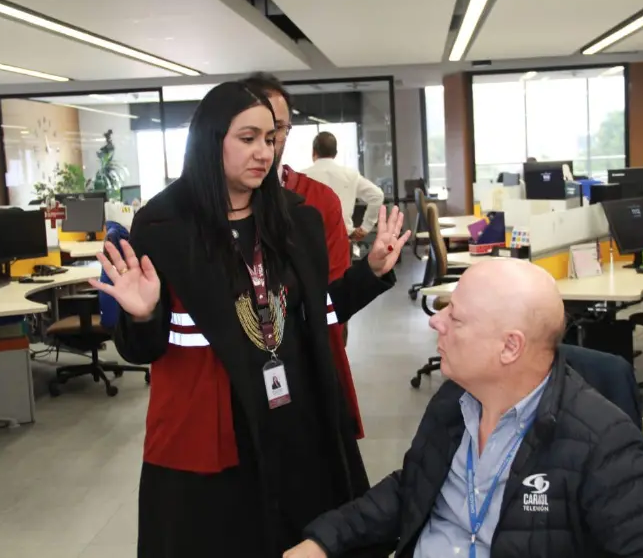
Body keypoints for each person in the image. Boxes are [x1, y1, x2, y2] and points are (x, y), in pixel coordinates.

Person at [91, 82, 410, 558]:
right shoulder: (163, 226)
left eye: (272, 137)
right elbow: (143, 350)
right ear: (210, 139)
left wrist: (372, 272)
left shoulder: (295, 219)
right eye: (248, 138)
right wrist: (144, 314)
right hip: (213, 431)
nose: (264, 151)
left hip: (295, 420)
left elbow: (315, 316)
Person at [284, 259, 643, 558]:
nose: (436, 322)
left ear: (510, 347)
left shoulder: (603, 443)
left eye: (456, 317)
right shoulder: (453, 402)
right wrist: (322, 540)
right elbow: (411, 488)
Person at [242, 72, 365, 432]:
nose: (267, 142)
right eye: (252, 132)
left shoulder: (316, 201)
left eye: (277, 129)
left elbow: (333, 298)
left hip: (304, 368)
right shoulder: (201, 211)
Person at [302, 131, 385, 242]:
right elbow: (377, 195)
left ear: (313, 152)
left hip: (310, 240)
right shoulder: (350, 175)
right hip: (342, 239)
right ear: (335, 153)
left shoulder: (302, 177)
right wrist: (366, 227)